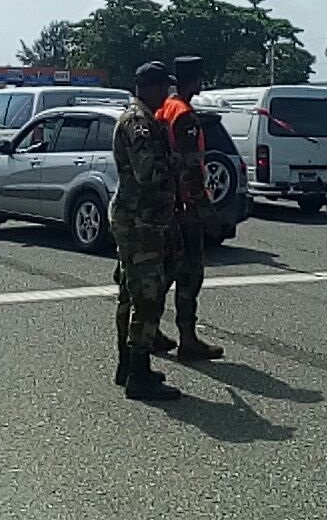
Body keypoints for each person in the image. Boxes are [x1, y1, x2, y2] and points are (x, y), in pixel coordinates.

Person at [110, 61, 184, 400]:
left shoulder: (140, 118)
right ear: (150, 87)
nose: (166, 94)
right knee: (146, 296)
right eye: (163, 88)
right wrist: (178, 161)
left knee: (130, 291)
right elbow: (147, 174)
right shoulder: (138, 123)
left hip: (138, 218)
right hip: (141, 221)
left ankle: (128, 365)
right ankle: (137, 373)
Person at [155, 56, 224, 361]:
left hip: (166, 202)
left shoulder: (164, 108)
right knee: (189, 273)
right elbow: (191, 167)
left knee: (164, 270)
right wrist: (205, 209)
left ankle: (150, 329)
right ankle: (187, 338)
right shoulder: (184, 115)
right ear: (194, 80)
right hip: (185, 207)